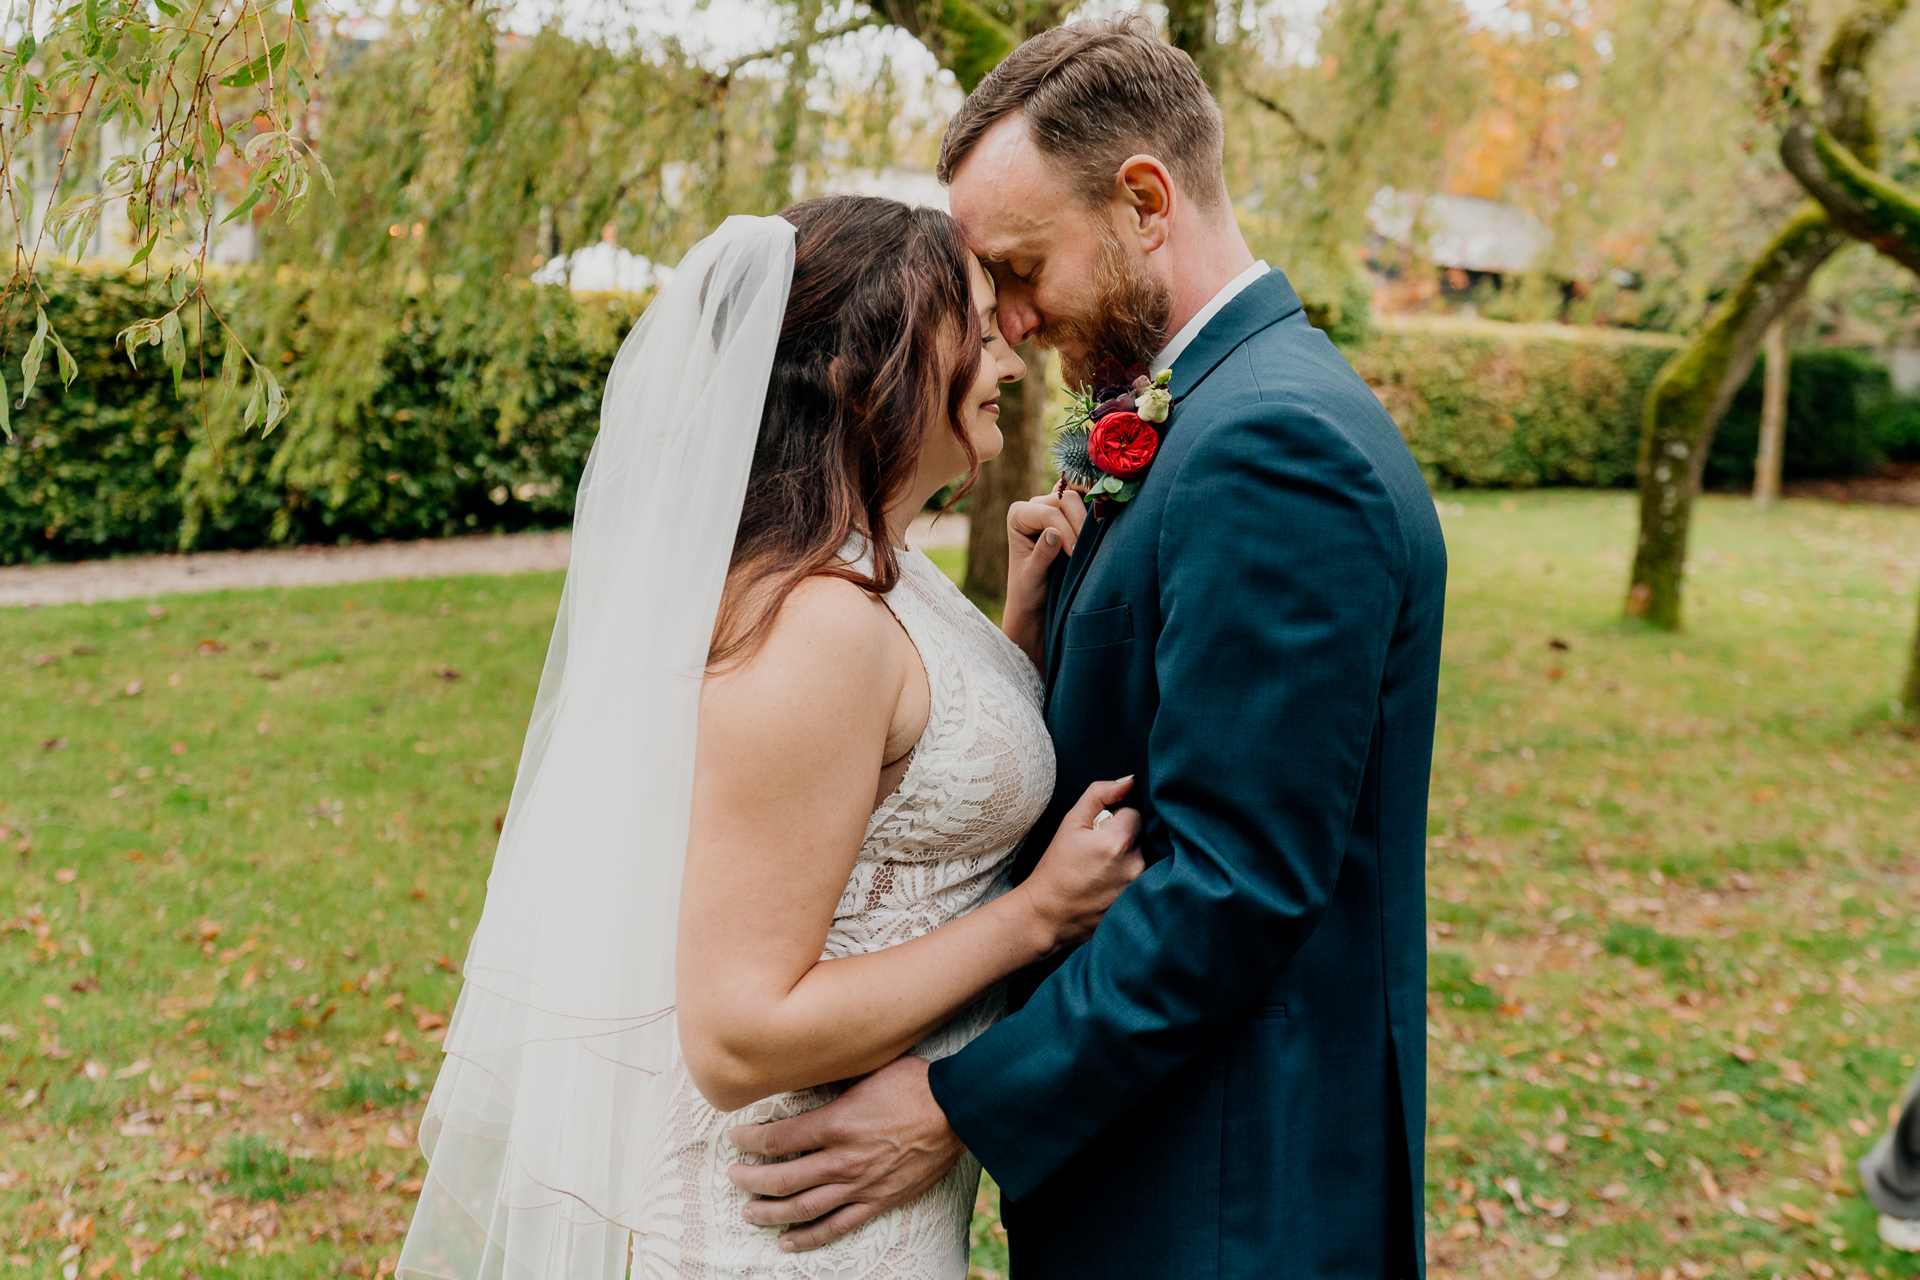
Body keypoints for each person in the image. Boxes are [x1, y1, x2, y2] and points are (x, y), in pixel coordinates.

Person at [725, 18, 1447, 1279]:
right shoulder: (1214, 410)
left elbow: (1231, 881)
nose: (999, 317)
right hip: (1159, 1154)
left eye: (1016, 264)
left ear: (1145, 201)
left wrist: (955, 1101)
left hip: (1227, 1191)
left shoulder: (1276, 447)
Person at [396, 197, 1143, 1280]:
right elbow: (739, 1031)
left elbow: (909, 779)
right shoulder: (813, 623)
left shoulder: (877, 565)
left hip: (872, 1210)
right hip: (793, 1229)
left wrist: (1020, 629)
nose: (1009, 364)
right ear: (868, 368)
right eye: (976, 335)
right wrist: (1036, 916)